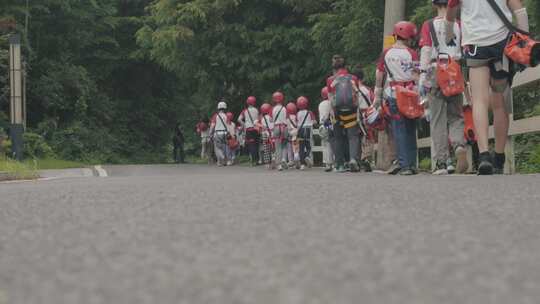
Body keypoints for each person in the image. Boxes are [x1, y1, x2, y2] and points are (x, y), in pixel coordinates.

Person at [446, 0, 529, 174]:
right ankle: (499, 158)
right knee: (499, 102)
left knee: (479, 101)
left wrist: (448, 35)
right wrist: (524, 38)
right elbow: (519, 11)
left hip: (475, 44)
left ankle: (484, 155)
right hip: (502, 44)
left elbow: (451, 13)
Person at [419, 0, 468, 175]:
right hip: (454, 70)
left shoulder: (428, 25)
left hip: (435, 71)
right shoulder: (459, 24)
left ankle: (442, 162)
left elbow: (425, 50)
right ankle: (459, 146)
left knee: (438, 118)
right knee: (456, 115)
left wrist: (422, 77)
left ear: (434, 5)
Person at [374, 21, 420, 175]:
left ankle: (404, 164)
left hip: (394, 93)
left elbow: (379, 75)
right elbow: (417, 76)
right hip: (411, 93)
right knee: (410, 128)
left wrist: (377, 96)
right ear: (409, 36)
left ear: (395, 34)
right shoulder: (412, 53)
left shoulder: (386, 53)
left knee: (399, 129)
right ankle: (412, 164)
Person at [326, 54, 361, 173]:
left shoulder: (331, 80)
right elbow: (356, 94)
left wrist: (331, 111)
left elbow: (330, 97)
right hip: (350, 110)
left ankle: (340, 164)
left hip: (336, 111)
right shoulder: (353, 78)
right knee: (352, 136)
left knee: (338, 137)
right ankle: (352, 160)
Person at [238, 96, 260, 166]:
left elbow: (239, 119)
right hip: (256, 129)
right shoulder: (256, 110)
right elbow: (259, 119)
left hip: (249, 130)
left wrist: (244, 124)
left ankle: (253, 161)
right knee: (256, 145)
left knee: (251, 145)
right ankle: (257, 160)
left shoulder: (245, 111)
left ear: (248, 102)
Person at [296, 96, 316, 170]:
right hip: (307, 130)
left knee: (301, 147)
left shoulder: (297, 113)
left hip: (300, 130)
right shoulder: (309, 112)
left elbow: (297, 123)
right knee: (308, 146)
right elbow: (314, 122)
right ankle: (307, 156)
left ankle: (302, 165)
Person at [318, 87, 335, 172]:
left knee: (325, 144)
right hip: (330, 124)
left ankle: (327, 163)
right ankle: (334, 162)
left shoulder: (320, 104)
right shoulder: (331, 103)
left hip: (322, 125)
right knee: (333, 143)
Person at [272, 91, 289, 171]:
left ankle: (279, 165)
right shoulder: (285, 108)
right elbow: (287, 118)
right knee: (284, 146)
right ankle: (284, 160)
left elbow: (271, 119)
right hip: (284, 127)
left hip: (276, 127)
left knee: (277, 146)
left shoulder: (273, 109)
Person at [209, 100, 230, 167]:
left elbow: (212, 125)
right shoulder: (226, 116)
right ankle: (219, 162)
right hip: (225, 133)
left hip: (217, 133)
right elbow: (228, 125)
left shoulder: (215, 116)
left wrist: (210, 133)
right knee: (224, 148)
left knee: (217, 148)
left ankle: (222, 157)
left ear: (218, 107)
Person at [258, 103, 274, 169]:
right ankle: (274, 161)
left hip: (265, 134)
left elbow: (256, 123)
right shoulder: (272, 117)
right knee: (273, 149)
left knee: (266, 149)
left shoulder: (262, 118)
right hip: (272, 133)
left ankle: (267, 164)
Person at [286, 102, 300, 169]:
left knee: (289, 148)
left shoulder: (287, 118)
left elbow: (287, 127)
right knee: (296, 148)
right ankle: (297, 159)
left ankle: (291, 161)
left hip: (290, 134)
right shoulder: (296, 116)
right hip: (296, 134)